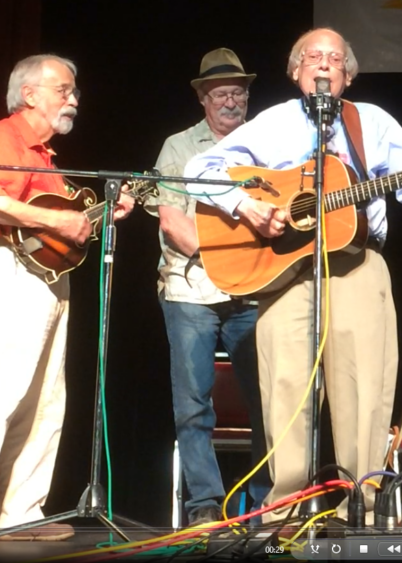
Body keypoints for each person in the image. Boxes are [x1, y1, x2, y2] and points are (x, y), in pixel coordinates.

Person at [182, 28, 402, 520]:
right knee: (285, 386)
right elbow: (201, 169)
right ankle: (285, 509)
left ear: (348, 75)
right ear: (295, 72)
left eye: (336, 58)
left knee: (363, 386)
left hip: (358, 265)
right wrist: (247, 206)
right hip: (286, 271)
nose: (324, 63)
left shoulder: (371, 122)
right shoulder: (271, 123)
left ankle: (364, 506)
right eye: (313, 56)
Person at [0, 54, 134, 543]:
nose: (74, 99)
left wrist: (111, 212)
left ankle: (19, 511)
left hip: (48, 276)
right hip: (11, 267)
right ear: (30, 95)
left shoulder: (47, 159)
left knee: (46, 400)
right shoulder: (3, 136)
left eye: (74, 91)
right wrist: (54, 220)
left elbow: (66, 227)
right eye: (64, 89)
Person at [145, 48, 272, 527]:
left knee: (268, 400)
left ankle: (264, 505)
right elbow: (173, 221)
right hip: (190, 291)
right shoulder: (178, 147)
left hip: (253, 292)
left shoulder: (266, 142)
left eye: (238, 92)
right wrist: (228, 255)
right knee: (193, 404)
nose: (231, 101)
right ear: (202, 98)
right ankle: (204, 504)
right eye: (221, 93)